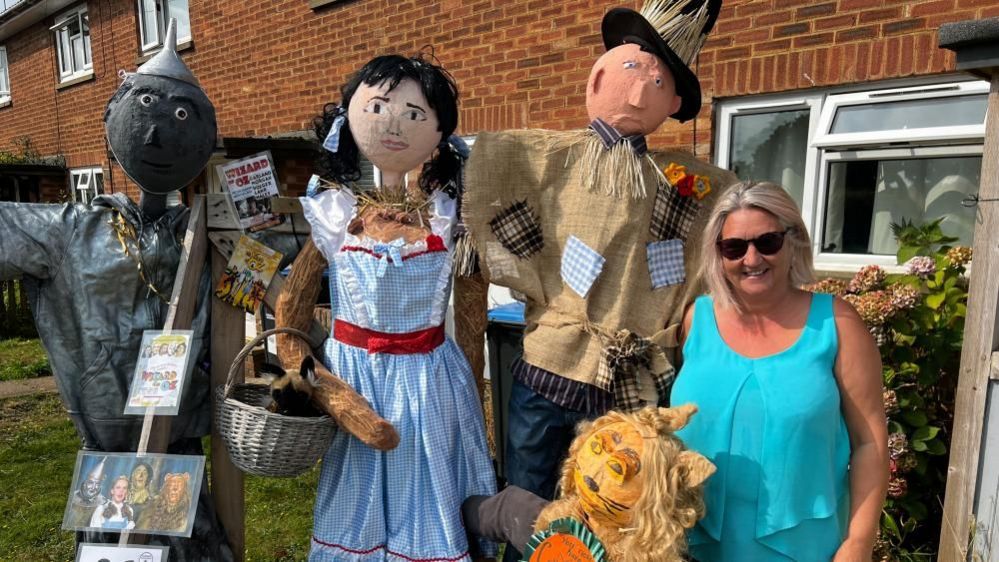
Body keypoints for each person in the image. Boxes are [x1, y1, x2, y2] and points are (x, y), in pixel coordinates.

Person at [462, 5, 733, 559]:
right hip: (551, 365)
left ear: (675, 104)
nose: (638, 95)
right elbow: (491, 178)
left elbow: (722, 220)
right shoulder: (549, 160)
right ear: (598, 76)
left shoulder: (680, 184)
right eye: (631, 73)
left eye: (657, 84)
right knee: (530, 496)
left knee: (618, 502)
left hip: (625, 379)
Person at [274, 53, 495, 562]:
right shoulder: (336, 215)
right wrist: (313, 378)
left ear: (438, 133)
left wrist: (475, 383)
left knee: (434, 480)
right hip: (355, 378)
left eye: (415, 114)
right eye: (378, 107)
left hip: (432, 380)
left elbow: (471, 313)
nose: (394, 123)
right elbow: (292, 305)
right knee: (357, 492)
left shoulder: (447, 219)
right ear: (350, 118)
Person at [670, 181, 889, 561]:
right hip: (689, 545)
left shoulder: (837, 325)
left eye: (767, 242)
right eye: (735, 247)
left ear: (794, 242)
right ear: (718, 255)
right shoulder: (695, 320)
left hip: (805, 549)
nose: (752, 259)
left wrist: (858, 542)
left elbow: (870, 443)